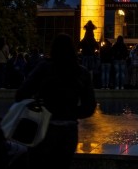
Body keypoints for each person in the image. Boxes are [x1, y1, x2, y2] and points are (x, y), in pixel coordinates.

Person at [14, 33, 96, 169]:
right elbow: (89, 107)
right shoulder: (81, 73)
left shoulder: (44, 68)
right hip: (68, 131)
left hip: (44, 128)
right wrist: (71, 113)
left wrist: (39, 106)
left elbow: (21, 94)